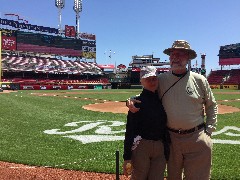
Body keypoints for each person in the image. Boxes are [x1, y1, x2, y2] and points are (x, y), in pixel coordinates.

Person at [127, 40, 218, 180]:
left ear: (188, 57)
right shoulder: (161, 79)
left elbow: (211, 105)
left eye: (180, 54)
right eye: (172, 54)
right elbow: (147, 91)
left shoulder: (200, 80)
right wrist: (132, 99)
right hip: (171, 140)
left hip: (197, 137)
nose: (175, 57)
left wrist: (209, 131)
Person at [123, 66, 170, 180]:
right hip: (142, 146)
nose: (152, 81)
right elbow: (130, 130)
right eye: (148, 79)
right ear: (141, 81)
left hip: (160, 146)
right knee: (139, 177)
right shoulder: (136, 102)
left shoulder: (163, 98)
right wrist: (127, 157)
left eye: (154, 78)